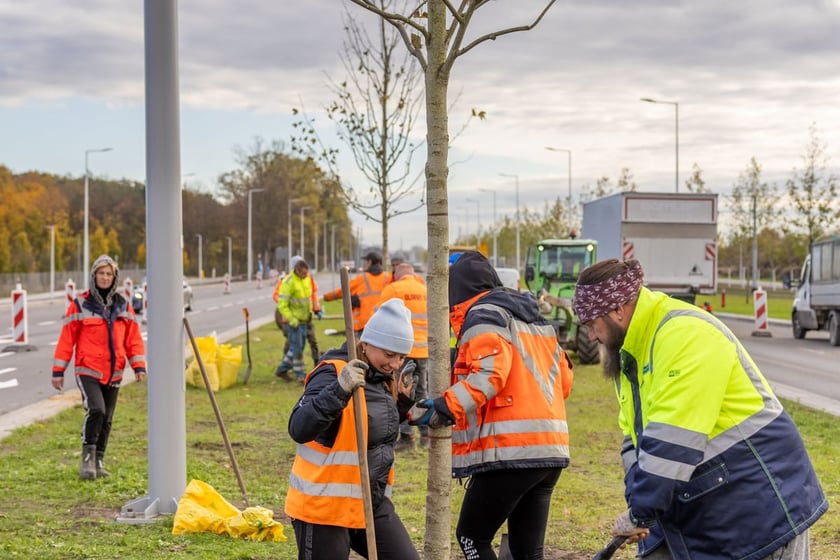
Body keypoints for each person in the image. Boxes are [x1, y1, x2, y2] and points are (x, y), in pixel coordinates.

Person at [573, 258, 828, 559]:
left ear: (617, 309)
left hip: (760, 505)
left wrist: (641, 512)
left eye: (592, 324)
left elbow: (672, 442)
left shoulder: (684, 334)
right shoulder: (632, 353)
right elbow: (634, 440)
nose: (591, 336)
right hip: (716, 501)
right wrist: (638, 506)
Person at [408, 250, 574, 560]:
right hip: (551, 450)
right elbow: (564, 382)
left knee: (471, 538)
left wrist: (444, 407)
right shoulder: (534, 320)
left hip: (510, 451)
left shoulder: (483, 314)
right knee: (527, 552)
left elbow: (489, 375)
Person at [284, 298, 421, 560]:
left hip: (369, 501)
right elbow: (299, 427)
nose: (395, 364)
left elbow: (371, 428)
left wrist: (403, 404)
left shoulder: (383, 377)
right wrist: (339, 389)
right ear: (366, 343)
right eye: (389, 355)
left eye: (401, 357)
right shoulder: (333, 372)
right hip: (324, 505)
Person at [51, 254, 147, 480]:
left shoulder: (123, 305)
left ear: (114, 277)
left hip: (114, 371)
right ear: (94, 276)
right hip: (88, 369)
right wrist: (58, 371)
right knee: (97, 410)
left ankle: (99, 460)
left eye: (108, 274)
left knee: (108, 418)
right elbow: (67, 340)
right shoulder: (80, 304)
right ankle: (87, 460)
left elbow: (133, 339)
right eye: (101, 273)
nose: (104, 277)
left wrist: (138, 366)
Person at [376, 262, 429, 451]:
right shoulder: (425, 290)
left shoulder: (394, 289)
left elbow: (378, 317)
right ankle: (426, 434)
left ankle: (407, 436)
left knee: (401, 393)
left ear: (397, 274)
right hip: (424, 350)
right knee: (421, 391)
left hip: (401, 351)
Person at [323, 251, 388, 337]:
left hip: (365, 323)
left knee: (358, 344)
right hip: (384, 322)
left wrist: (327, 297)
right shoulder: (388, 277)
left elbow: (343, 289)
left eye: (366, 261)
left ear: (370, 262)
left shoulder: (362, 278)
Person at [274, 258, 319, 382]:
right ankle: (300, 374)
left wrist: (316, 310)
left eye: (306, 273)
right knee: (297, 348)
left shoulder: (307, 279)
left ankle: (282, 369)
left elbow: (309, 297)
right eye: (303, 273)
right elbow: (282, 305)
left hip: (304, 320)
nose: (306, 275)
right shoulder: (288, 282)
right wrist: (291, 319)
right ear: (297, 271)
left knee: (297, 347)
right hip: (294, 322)